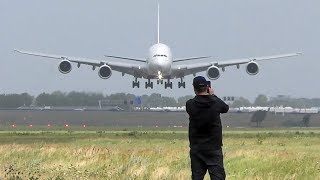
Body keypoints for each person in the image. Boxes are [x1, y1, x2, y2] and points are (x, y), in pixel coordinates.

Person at [186, 76, 229, 180]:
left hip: (197, 148)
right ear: (207, 87)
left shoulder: (190, 104)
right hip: (213, 147)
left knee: (197, 177)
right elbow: (225, 108)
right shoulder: (216, 103)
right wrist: (212, 95)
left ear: (194, 88)